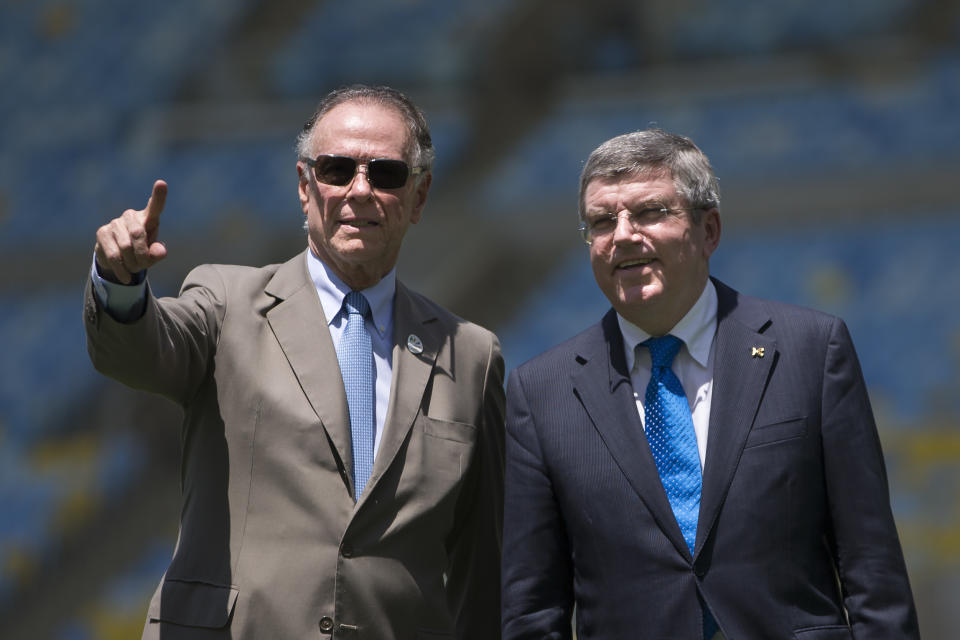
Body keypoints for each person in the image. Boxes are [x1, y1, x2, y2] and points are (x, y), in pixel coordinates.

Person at [84, 85, 504, 640]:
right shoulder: (226, 300)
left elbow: (486, 572)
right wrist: (120, 284)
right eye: (336, 169)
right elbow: (140, 353)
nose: (360, 190)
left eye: (386, 174)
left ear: (419, 197)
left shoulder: (470, 355)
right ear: (306, 188)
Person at [500, 129, 920, 639]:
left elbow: (873, 569)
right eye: (602, 221)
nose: (623, 234)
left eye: (650, 211)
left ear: (709, 231)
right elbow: (531, 610)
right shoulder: (539, 392)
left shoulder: (811, 349)